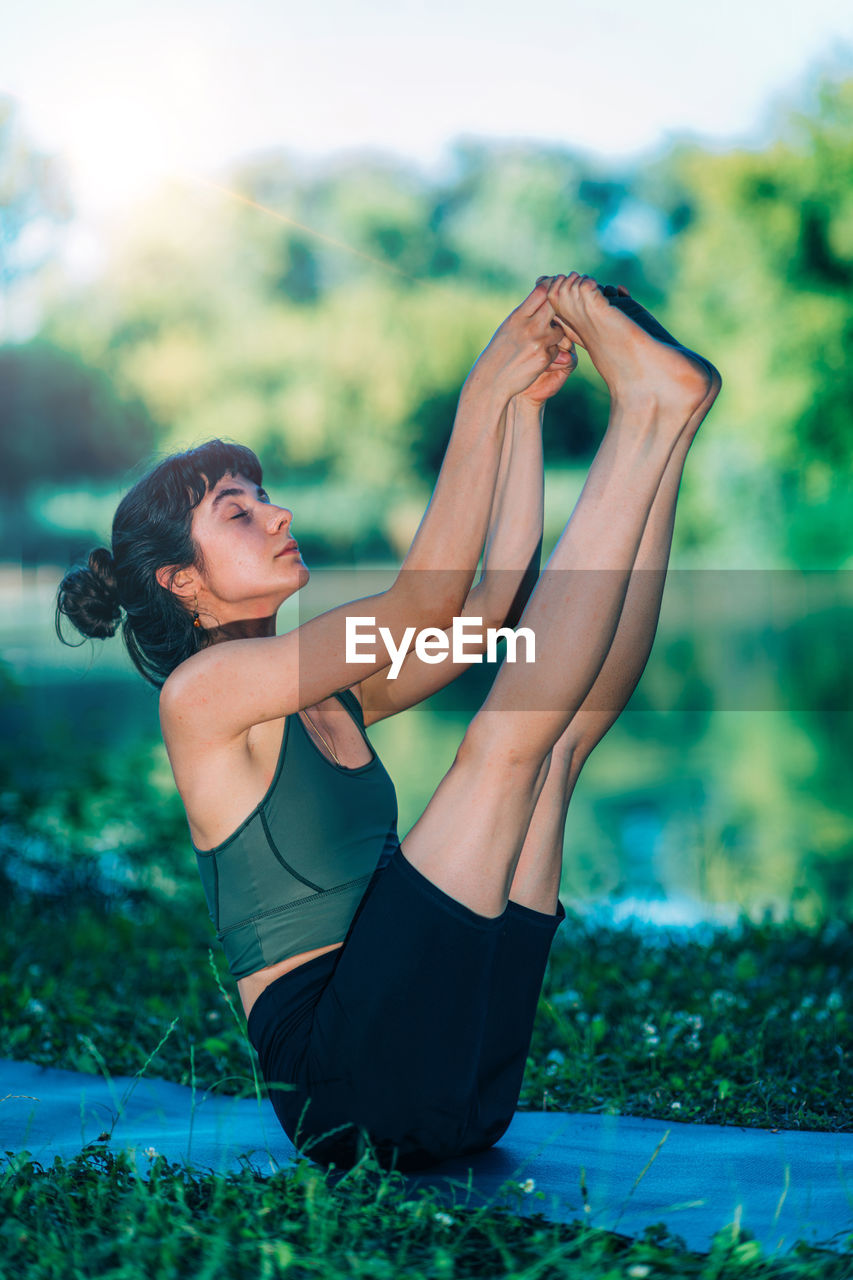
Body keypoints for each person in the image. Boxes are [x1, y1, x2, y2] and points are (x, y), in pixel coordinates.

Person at [57, 273, 720, 1173]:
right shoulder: (202, 698)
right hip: (344, 1091)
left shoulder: (325, 695)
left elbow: (488, 606)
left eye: (264, 494)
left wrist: (518, 415)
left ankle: (663, 433)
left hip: (457, 1082)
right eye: (237, 511)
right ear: (181, 580)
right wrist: (481, 388)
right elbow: (420, 602)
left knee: (551, 741)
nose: (277, 512)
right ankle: (646, 418)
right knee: (505, 746)